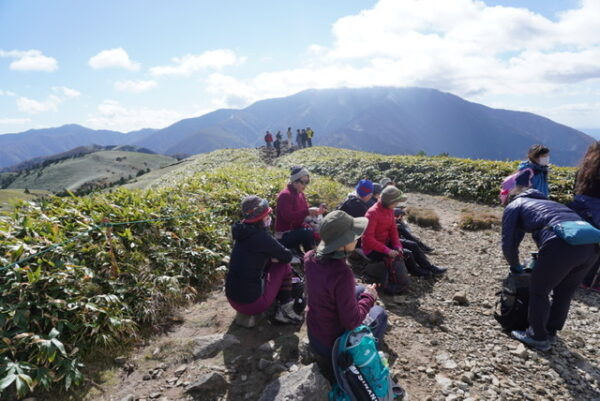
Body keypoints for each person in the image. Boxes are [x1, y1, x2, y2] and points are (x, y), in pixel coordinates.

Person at [502, 177, 599, 351]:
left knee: (539, 290)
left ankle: (537, 336)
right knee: (564, 291)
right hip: (591, 246)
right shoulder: (550, 204)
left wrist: (516, 267)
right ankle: (551, 331)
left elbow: (509, 243)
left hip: (562, 244)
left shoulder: (514, 205)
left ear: (512, 196)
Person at [305, 210, 387, 361]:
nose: (358, 238)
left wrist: (356, 291)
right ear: (343, 242)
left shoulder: (310, 256)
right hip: (332, 345)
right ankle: (364, 353)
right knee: (380, 313)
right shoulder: (342, 274)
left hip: (315, 333)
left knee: (360, 289)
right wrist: (369, 297)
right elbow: (352, 322)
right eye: (354, 236)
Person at [226, 196, 304, 326]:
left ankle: (276, 302)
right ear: (261, 217)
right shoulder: (261, 237)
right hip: (252, 305)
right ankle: (284, 309)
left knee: (271, 264)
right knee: (284, 266)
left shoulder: (241, 231)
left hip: (233, 299)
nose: (269, 218)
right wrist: (274, 257)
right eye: (268, 215)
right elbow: (287, 256)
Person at [362, 186, 411, 293]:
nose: (397, 205)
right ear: (390, 201)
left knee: (406, 252)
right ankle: (396, 285)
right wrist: (387, 251)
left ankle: (416, 272)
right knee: (396, 259)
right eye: (396, 202)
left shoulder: (389, 210)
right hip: (371, 249)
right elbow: (367, 239)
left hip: (384, 243)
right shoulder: (372, 213)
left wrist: (397, 246)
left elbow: (393, 230)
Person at [569, 141, 600, 292]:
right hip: (597, 211)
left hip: (579, 209)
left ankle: (571, 276)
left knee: (580, 244)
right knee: (596, 249)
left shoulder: (582, 169)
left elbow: (575, 189)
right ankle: (589, 281)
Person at [275, 166, 325, 254]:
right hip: (284, 235)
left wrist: (316, 212)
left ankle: (311, 255)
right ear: (294, 181)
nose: (305, 185)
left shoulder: (300, 194)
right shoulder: (285, 195)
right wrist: (307, 212)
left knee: (316, 227)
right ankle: (311, 259)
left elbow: (303, 214)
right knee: (307, 233)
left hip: (295, 231)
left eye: (307, 182)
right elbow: (287, 217)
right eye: (303, 182)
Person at [394, 208, 446, 276]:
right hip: (390, 242)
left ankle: (429, 267)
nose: (401, 218)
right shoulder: (397, 224)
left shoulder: (398, 222)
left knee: (413, 245)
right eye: (400, 216)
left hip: (395, 240)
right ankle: (425, 267)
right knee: (412, 247)